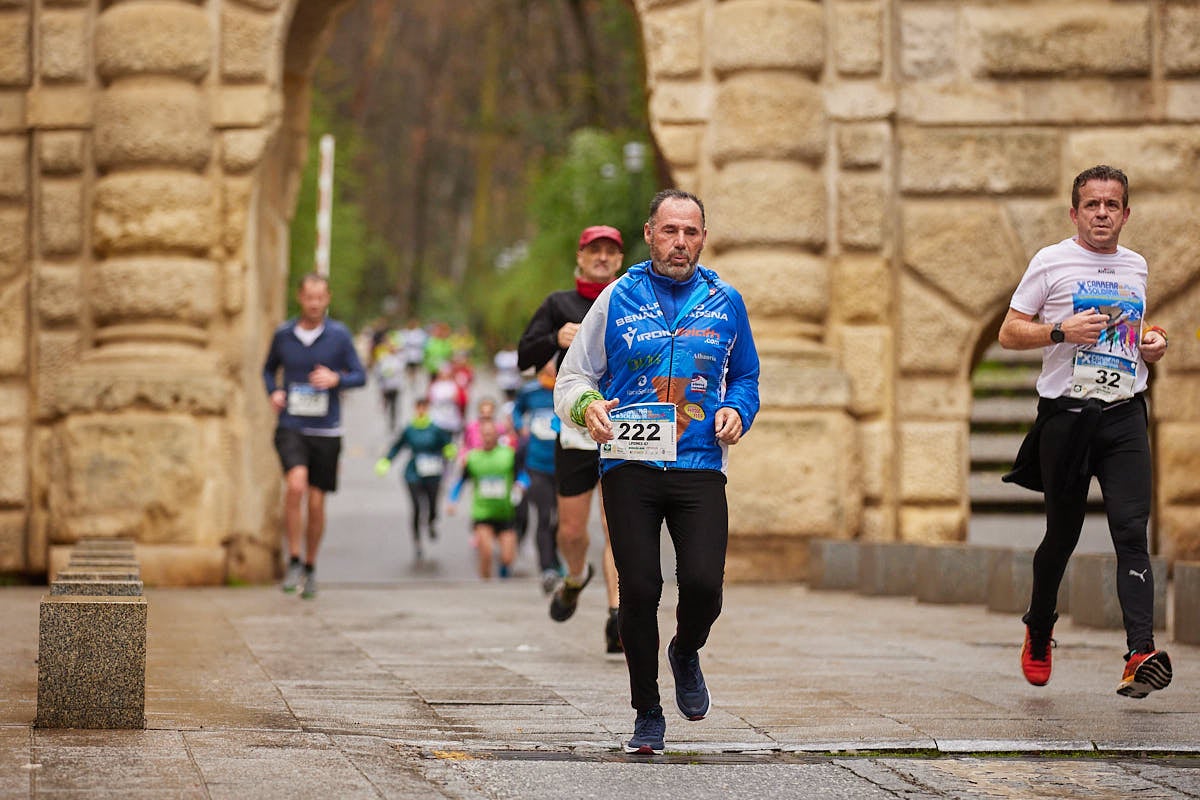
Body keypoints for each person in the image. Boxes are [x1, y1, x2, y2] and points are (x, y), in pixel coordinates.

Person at [554, 189, 760, 754]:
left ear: (703, 238)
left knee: (702, 586)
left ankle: (686, 649)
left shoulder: (725, 300)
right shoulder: (618, 297)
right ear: (649, 234)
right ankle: (647, 709)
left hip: (698, 462)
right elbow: (572, 378)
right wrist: (586, 408)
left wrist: (736, 409)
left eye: (690, 232)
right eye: (670, 231)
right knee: (639, 591)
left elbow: (745, 377)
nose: (680, 243)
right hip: (630, 462)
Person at [999, 164, 1172, 699]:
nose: (1102, 213)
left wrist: (1152, 342)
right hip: (1067, 417)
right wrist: (1060, 330)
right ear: (1075, 212)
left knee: (1130, 530)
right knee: (1062, 535)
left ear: (1126, 213)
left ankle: (1139, 652)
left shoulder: (1136, 266)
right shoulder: (1050, 262)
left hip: (1123, 413)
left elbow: (1135, 330)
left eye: (1112, 205)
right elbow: (1009, 332)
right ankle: (1039, 626)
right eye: (1092, 205)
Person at [518, 223, 626, 654]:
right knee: (572, 531)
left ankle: (618, 616)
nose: (602, 258)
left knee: (616, 524)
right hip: (577, 431)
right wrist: (554, 337)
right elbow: (523, 356)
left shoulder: (630, 301)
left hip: (622, 427)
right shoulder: (558, 303)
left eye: (610, 252)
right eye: (594, 251)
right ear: (580, 257)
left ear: (619, 260)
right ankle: (576, 576)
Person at [262, 272, 367, 599]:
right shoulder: (284, 335)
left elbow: (360, 375)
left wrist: (336, 379)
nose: (315, 304)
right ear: (300, 297)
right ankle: (293, 557)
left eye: (320, 298)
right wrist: (274, 392)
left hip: (326, 428)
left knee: (317, 501)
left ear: (328, 298)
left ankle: (310, 565)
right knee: (295, 486)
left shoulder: (338, 335)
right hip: (292, 424)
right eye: (309, 298)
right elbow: (268, 369)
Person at [374, 397, 456, 561]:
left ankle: (432, 521)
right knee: (417, 507)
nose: (421, 411)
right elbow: (397, 446)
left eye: (424, 408)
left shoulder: (436, 429)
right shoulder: (409, 429)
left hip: (433, 473)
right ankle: (417, 541)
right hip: (414, 474)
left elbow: (447, 444)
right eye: (418, 408)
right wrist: (386, 461)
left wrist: (449, 452)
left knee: (432, 505)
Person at [447, 419, 526, 579]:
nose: (488, 437)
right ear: (480, 436)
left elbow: (523, 475)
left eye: (491, 434)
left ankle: (504, 572)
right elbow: (461, 481)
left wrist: (522, 485)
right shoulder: (473, 458)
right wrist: (452, 500)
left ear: (497, 434)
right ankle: (485, 587)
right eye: (485, 434)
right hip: (482, 514)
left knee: (507, 558)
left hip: (506, 513)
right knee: (486, 554)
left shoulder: (509, 455)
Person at [512, 360, 562, 594]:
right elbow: (516, 410)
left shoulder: (565, 388)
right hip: (537, 466)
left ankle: (555, 557)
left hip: (563, 466)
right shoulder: (530, 391)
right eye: (546, 368)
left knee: (561, 521)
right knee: (544, 516)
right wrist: (519, 426)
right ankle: (547, 568)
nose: (550, 371)